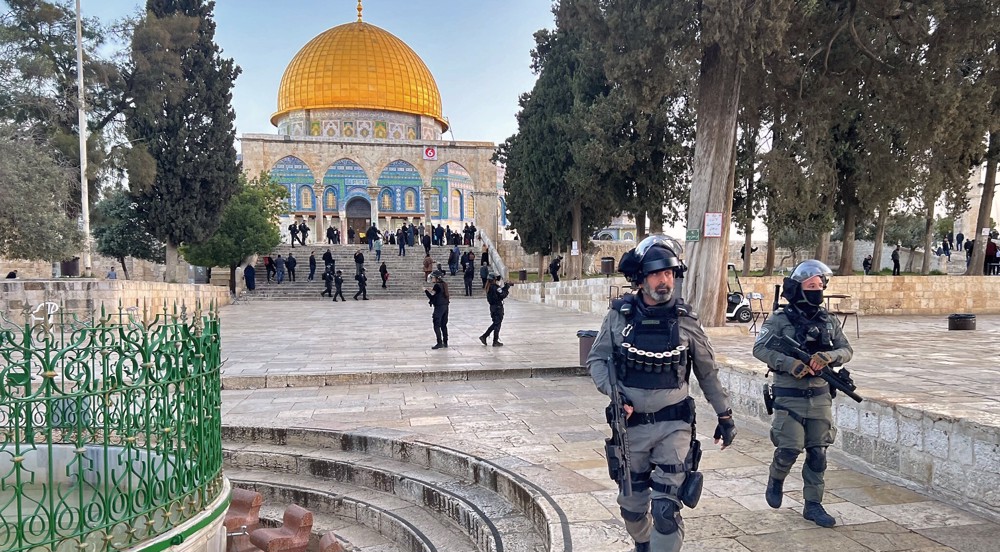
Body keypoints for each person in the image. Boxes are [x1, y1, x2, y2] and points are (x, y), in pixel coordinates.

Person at [588, 235, 735, 552]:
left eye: (669, 273)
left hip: (674, 426)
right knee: (632, 509)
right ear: (640, 279)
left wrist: (725, 415)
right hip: (632, 428)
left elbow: (707, 371)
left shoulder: (685, 320)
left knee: (666, 510)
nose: (664, 280)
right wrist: (615, 396)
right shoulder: (618, 317)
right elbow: (597, 360)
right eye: (656, 273)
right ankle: (644, 543)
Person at [752, 259, 852, 529]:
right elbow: (760, 349)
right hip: (789, 395)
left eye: (820, 285)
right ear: (798, 288)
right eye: (811, 286)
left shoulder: (828, 321)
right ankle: (776, 478)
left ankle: (813, 504)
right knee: (789, 448)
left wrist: (827, 356)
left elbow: (846, 351)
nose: (817, 290)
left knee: (818, 452)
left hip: (820, 395)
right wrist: (790, 364)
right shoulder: (779, 319)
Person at [479, 272, 512, 346]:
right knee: (497, 324)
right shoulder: (495, 287)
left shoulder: (489, 287)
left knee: (495, 323)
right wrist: (506, 288)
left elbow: (499, 292)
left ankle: (486, 337)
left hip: (492, 307)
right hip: (498, 308)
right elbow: (502, 295)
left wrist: (505, 287)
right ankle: (491, 339)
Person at [425, 269, 450, 349]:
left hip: (439, 307)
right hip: (445, 307)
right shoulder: (444, 284)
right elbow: (438, 293)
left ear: (437, 278)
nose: (432, 279)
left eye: (433, 277)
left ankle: (439, 342)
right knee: (444, 325)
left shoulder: (437, 285)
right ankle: (445, 342)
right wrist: (431, 290)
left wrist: (425, 291)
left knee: (436, 325)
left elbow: (432, 297)